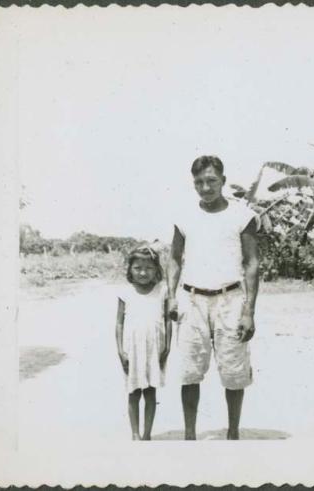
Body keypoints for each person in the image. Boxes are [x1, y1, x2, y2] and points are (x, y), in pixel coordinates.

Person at [167, 155, 260, 440]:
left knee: (233, 371)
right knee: (189, 371)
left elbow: (252, 263)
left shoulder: (242, 216)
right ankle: (190, 435)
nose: (205, 188)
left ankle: (233, 434)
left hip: (230, 300)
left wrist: (248, 311)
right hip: (192, 300)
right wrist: (171, 297)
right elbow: (173, 260)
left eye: (211, 181)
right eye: (199, 182)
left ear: (223, 180)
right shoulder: (184, 217)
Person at [115, 245, 172, 440]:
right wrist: (120, 351)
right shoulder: (126, 292)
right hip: (132, 350)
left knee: (150, 392)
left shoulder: (162, 290)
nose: (143, 272)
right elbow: (119, 324)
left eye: (148, 268)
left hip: (154, 349)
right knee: (133, 391)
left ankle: (147, 434)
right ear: (130, 269)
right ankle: (135, 434)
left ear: (156, 269)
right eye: (137, 267)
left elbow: (167, 320)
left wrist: (168, 346)